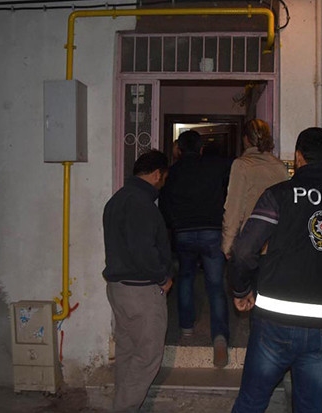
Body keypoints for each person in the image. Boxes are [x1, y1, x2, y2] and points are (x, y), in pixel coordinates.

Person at [229, 127, 322, 413]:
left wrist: (241, 289)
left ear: (298, 157)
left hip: (275, 324)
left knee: (251, 402)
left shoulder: (279, 196)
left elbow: (244, 251)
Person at [102, 150, 173, 412]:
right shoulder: (140, 204)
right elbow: (143, 249)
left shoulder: (118, 199)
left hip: (119, 289)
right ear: (156, 174)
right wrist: (162, 277)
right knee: (148, 355)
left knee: (128, 351)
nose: (163, 183)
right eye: (164, 177)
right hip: (140, 290)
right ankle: (124, 408)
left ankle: (123, 404)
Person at [159, 130, 232, 367]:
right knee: (216, 284)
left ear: (179, 149)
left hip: (183, 232)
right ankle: (219, 337)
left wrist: (175, 225)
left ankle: (186, 329)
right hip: (212, 231)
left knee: (186, 278)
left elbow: (165, 205)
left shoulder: (173, 172)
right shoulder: (216, 167)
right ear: (201, 148)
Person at [222, 118, 289, 258]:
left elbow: (234, 209)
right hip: (276, 243)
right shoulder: (280, 166)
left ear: (246, 139)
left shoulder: (241, 165)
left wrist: (227, 245)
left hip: (251, 243)